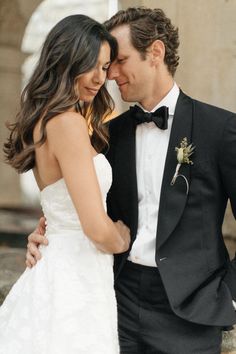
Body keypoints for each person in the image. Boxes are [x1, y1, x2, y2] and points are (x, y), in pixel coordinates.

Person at [26, 7, 236, 354]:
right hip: (113, 302)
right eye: (107, 66)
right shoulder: (106, 137)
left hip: (191, 314)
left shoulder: (221, 129)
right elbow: (82, 203)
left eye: (119, 61)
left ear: (156, 52)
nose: (110, 75)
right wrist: (42, 234)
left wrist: (229, 298)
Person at [0, 14, 131, 354]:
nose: (99, 78)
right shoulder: (68, 123)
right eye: (91, 65)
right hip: (76, 278)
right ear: (67, 58)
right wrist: (123, 235)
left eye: (105, 68)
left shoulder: (45, 121)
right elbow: (95, 229)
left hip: (64, 265)